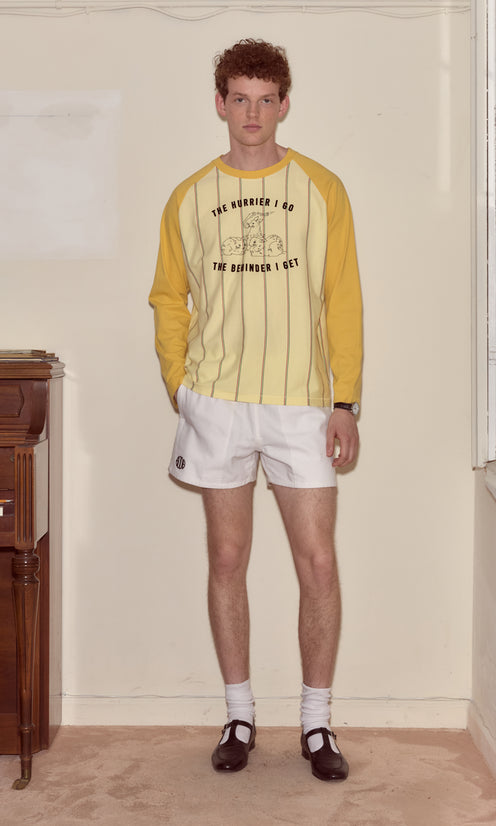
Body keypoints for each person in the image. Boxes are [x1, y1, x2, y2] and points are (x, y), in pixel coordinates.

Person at [149, 38, 362, 782]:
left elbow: (343, 299)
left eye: (266, 99)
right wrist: (181, 385)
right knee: (228, 558)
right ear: (219, 103)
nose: (252, 112)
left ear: (285, 104)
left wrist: (344, 398)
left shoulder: (322, 188)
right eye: (239, 97)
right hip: (217, 404)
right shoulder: (189, 197)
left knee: (318, 562)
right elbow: (167, 298)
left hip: (302, 403)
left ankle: (316, 724)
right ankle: (238, 713)